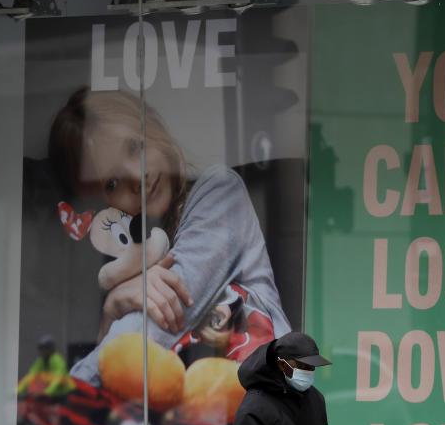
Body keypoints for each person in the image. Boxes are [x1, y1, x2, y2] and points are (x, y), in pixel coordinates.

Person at [47, 87, 291, 384]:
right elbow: (119, 380)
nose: (136, 177)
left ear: (155, 130)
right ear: (103, 210)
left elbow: (171, 310)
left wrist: (71, 392)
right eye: (111, 183)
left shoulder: (220, 193)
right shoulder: (129, 269)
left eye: (135, 147)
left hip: (265, 421)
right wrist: (113, 308)